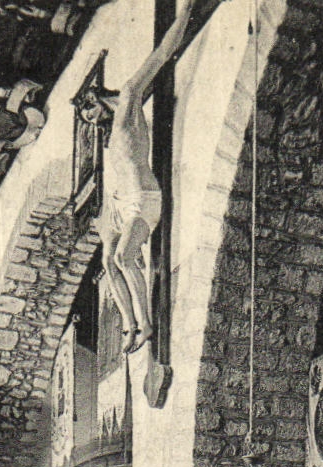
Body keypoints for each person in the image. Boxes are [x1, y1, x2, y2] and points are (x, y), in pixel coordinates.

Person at [97, 0, 197, 349]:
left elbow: (159, 57)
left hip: (143, 200)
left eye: (93, 107)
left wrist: (184, 15)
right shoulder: (112, 135)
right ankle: (129, 325)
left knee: (123, 257)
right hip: (121, 203)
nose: (91, 115)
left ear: (106, 101)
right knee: (108, 261)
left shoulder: (129, 102)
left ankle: (146, 324)